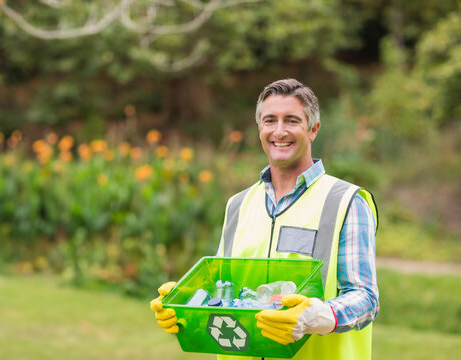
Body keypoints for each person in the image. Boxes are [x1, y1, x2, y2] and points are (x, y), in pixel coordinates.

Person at [150, 79, 379, 360]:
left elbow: (365, 299)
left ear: (313, 129)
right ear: (260, 128)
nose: (279, 131)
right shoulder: (238, 205)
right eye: (270, 120)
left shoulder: (346, 202)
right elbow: (223, 291)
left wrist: (315, 316)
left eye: (292, 120)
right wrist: (186, 301)